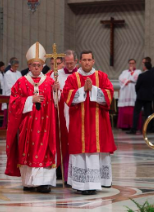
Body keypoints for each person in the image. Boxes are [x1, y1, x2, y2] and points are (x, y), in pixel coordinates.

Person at [5, 42, 59, 193]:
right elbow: (13, 103)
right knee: (28, 151)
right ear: (28, 66)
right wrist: (30, 100)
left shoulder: (49, 82)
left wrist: (56, 91)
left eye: (39, 65)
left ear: (43, 66)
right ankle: (29, 182)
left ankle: (44, 183)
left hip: (45, 125)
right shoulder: (21, 82)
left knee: (45, 151)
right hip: (27, 126)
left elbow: (56, 104)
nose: (36, 67)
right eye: (33, 65)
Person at [62, 50, 116, 195]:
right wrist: (82, 90)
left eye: (89, 60)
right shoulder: (73, 78)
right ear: (79, 61)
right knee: (80, 152)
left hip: (98, 121)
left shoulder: (102, 76)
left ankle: (95, 183)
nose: (86, 62)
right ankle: (80, 184)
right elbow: (66, 95)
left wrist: (94, 90)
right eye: (84, 60)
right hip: (79, 122)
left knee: (95, 151)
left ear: (93, 61)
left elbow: (110, 94)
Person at [49, 50, 77, 182]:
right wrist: (53, 88)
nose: (69, 66)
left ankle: (73, 171)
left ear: (76, 61)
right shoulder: (55, 74)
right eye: (67, 63)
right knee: (60, 140)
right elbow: (46, 90)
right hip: (60, 111)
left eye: (72, 63)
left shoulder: (79, 75)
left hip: (75, 112)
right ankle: (60, 169)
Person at [126, 62, 154, 134]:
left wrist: (138, 93)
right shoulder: (153, 75)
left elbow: (137, 86)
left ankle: (134, 129)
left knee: (136, 112)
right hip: (149, 97)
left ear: (145, 67)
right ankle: (147, 129)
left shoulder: (142, 75)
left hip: (141, 96)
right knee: (148, 113)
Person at [117, 59, 142, 129]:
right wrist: (128, 80)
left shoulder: (138, 71)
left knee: (133, 108)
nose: (131, 65)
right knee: (124, 109)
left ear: (135, 64)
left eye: (133, 63)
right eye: (130, 63)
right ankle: (124, 125)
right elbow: (120, 78)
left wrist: (131, 74)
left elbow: (135, 78)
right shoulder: (124, 72)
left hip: (133, 91)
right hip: (125, 92)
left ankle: (133, 125)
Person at [1, 60, 22, 128]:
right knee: (8, 113)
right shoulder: (7, 74)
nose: (16, 68)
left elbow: (21, 83)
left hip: (18, 95)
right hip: (10, 95)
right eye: (15, 66)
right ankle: (6, 127)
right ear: (11, 66)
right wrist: (16, 90)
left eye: (17, 66)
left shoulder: (19, 73)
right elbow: (8, 85)